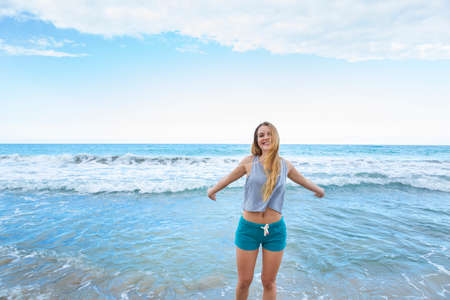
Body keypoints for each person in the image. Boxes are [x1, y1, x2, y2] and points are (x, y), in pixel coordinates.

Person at [207, 121, 325, 300]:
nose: (265, 138)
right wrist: (212, 190)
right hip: (248, 230)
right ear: (256, 140)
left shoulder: (285, 165)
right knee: (244, 281)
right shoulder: (249, 162)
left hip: (275, 231)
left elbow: (303, 180)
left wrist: (318, 190)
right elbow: (229, 178)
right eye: (261, 135)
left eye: (268, 134)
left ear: (275, 137)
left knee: (268, 282)